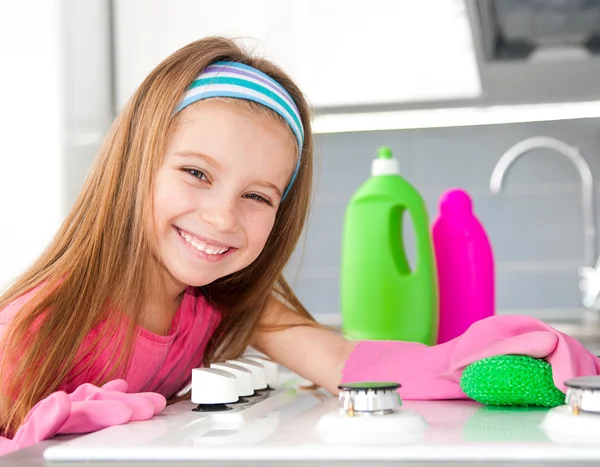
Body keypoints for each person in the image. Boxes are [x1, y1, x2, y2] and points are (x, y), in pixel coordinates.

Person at [1, 36, 599, 451]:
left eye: (258, 196)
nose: (221, 217)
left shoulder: (221, 303)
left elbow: (344, 364)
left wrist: (465, 360)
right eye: (197, 174)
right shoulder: (41, 324)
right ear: (137, 163)